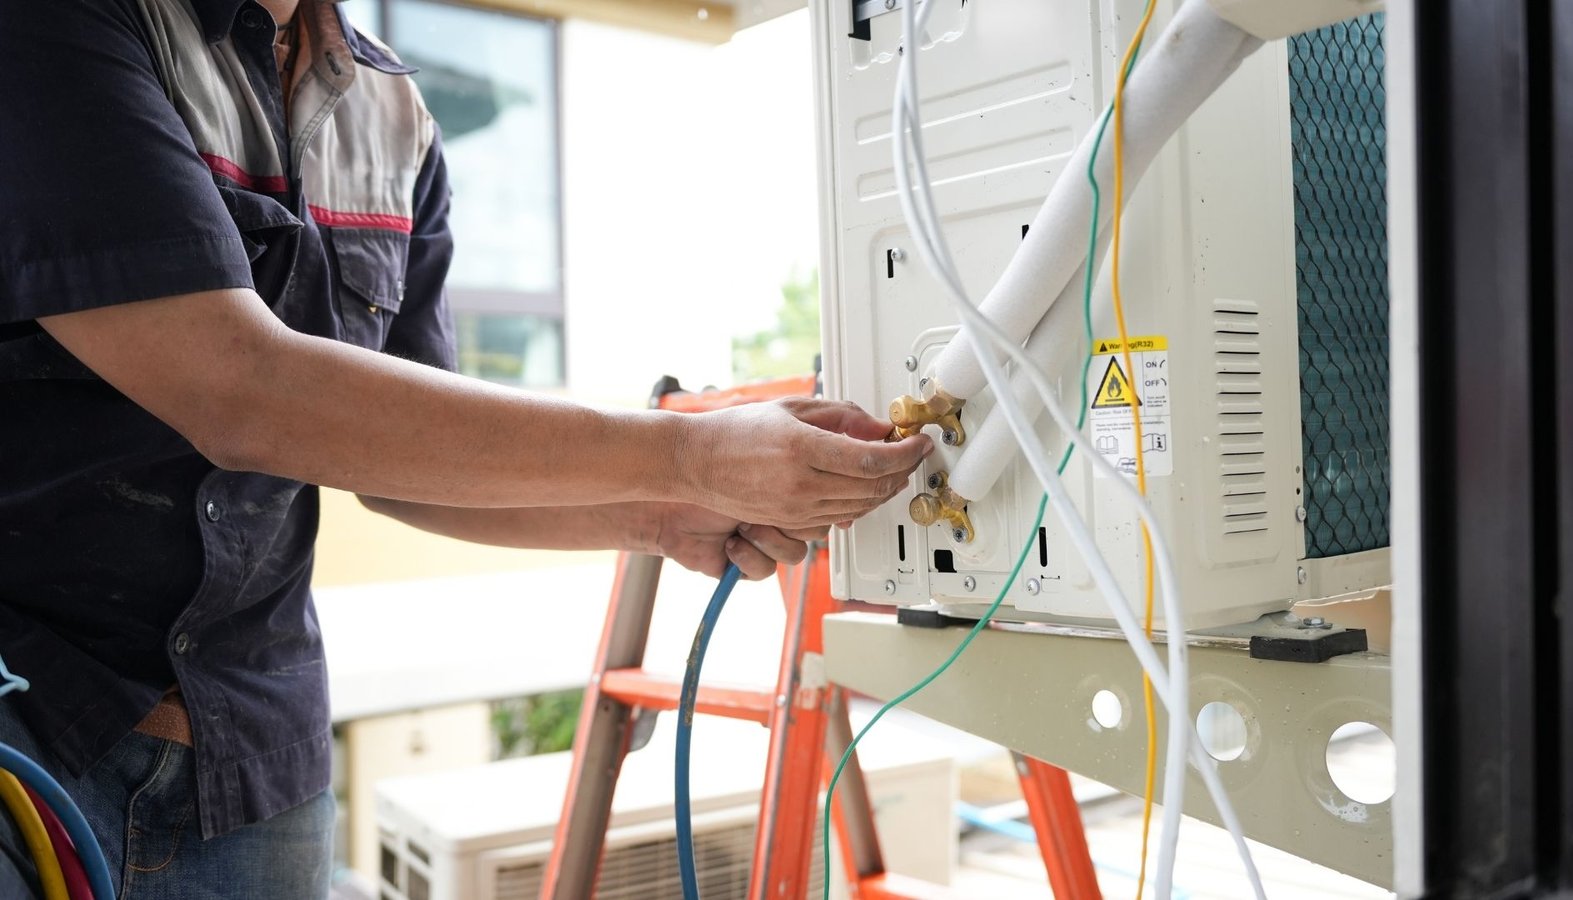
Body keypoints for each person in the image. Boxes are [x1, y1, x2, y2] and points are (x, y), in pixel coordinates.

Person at [0, 1, 932, 895]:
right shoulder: (64, 22)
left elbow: (404, 478)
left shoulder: (391, 115)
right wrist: (689, 455)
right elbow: (239, 387)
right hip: (32, 737)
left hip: (257, 773)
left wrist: (661, 515)